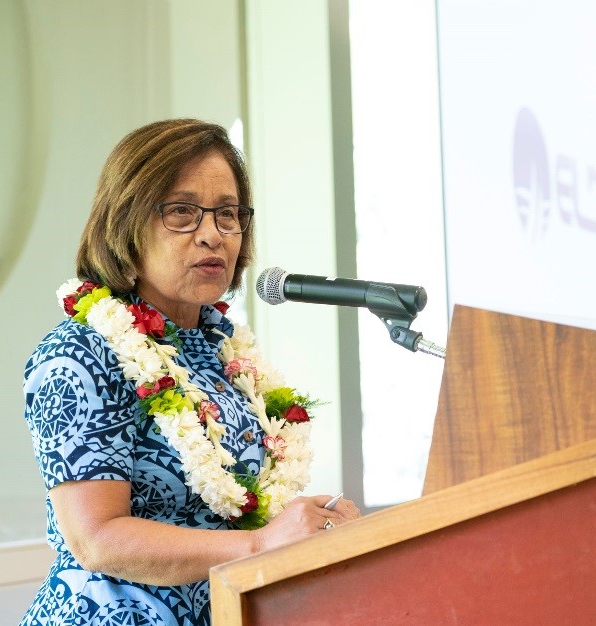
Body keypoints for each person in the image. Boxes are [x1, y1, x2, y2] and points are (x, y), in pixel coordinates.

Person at [20, 118, 360, 626]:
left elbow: (238, 509)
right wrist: (262, 544)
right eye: (182, 212)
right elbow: (96, 538)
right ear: (126, 222)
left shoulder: (220, 349)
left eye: (228, 214)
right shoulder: (81, 352)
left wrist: (312, 523)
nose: (212, 235)